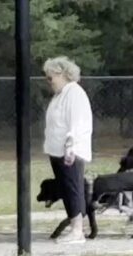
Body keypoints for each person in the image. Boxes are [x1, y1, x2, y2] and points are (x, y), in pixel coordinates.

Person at [43, 56, 93, 244]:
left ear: (61, 74)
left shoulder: (74, 93)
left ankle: (78, 230)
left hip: (70, 151)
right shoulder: (60, 94)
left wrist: (71, 144)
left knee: (73, 188)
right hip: (57, 150)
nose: (49, 82)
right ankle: (74, 226)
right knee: (66, 188)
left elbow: (77, 121)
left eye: (50, 77)